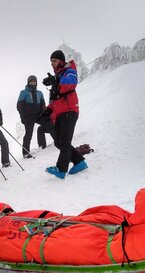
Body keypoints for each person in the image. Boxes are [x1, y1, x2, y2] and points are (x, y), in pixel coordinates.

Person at [42, 50, 88, 179]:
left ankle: (61, 169)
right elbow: (55, 99)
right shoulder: (58, 75)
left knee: (65, 142)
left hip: (70, 111)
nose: (52, 63)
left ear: (61, 61)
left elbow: (71, 84)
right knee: (58, 142)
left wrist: (56, 80)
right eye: (51, 61)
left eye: (55, 61)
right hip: (60, 113)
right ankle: (79, 162)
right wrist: (48, 111)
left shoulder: (69, 71)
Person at [17, 75, 46, 158]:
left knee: (48, 124)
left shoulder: (39, 93)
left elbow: (43, 104)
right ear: (28, 83)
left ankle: (43, 146)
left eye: (34, 82)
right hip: (28, 117)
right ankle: (26, 153)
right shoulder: (24, 92)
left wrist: (42, 112)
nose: (33, 84)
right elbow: (19, 106)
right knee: (28, 133)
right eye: (31, 82)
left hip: (38, 115)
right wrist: (23, 116)